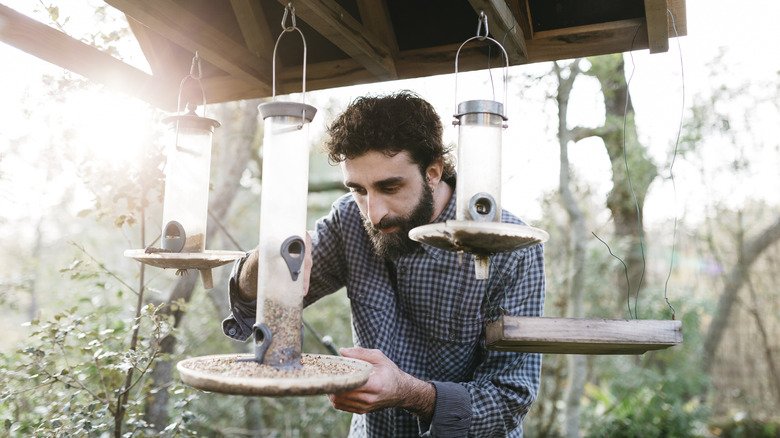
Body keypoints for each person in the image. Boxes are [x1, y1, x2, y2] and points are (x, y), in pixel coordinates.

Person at [222, 91, 545, 437]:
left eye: (389, 187)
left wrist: (408, 392)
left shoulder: (510, 249)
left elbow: (510, 399)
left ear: (433, 172)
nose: (373, 214)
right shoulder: (349, 219)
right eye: (359, 190)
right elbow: (253, 307)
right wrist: (265, 256)